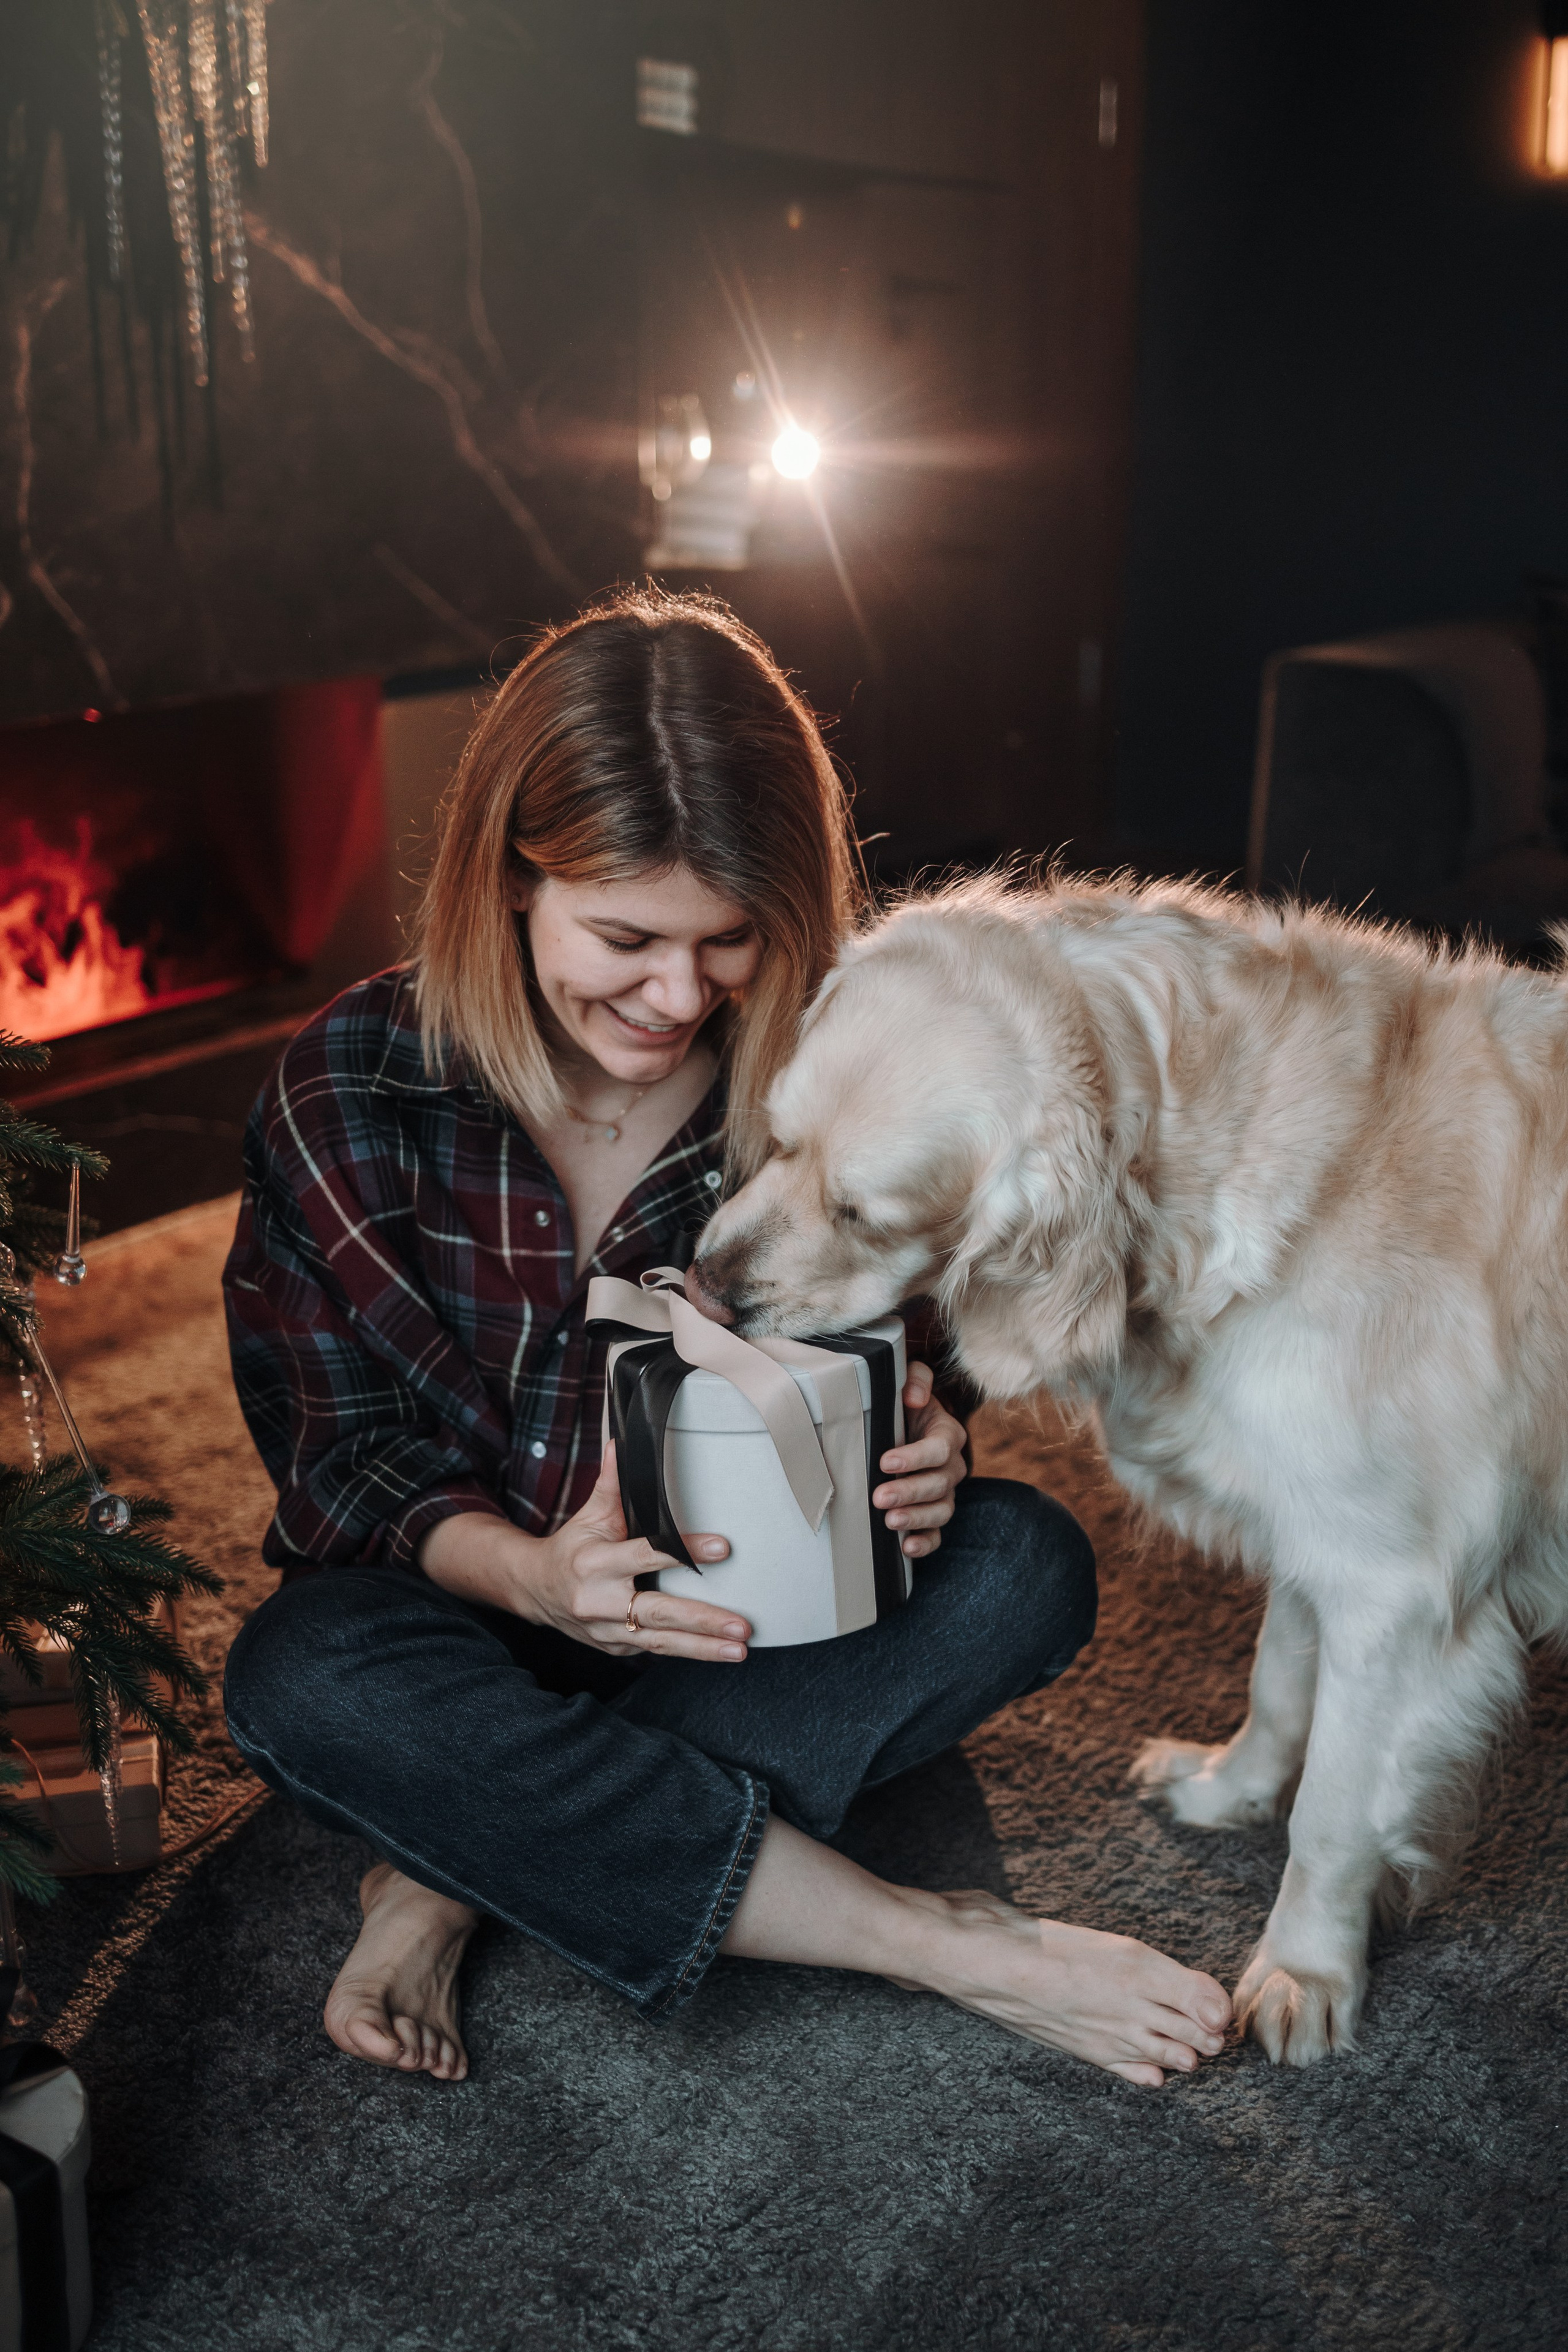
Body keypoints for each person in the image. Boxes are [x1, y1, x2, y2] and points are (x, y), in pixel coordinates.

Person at [221, 589, 1231, 2091]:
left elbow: (915, 1339)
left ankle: (448, 1859)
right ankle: (926, 1936)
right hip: (459, 1614)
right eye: (623, 937)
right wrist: (536, 1580)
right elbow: (343, 1467)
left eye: (729, 940)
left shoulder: (829, 1074)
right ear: (512, 878)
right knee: (299, 1676)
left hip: (745, 1613)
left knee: (1022, 1567)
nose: (677, 995)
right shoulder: (350, 1087)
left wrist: (923, 1444)